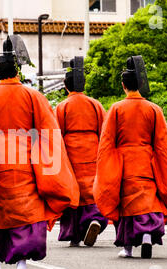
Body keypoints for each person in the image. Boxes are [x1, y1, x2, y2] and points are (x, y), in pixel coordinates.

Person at [0, 35, 79, 269]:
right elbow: (48, 135)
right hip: (27, 164)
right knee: (26, 214)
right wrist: (48, 166)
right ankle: (22, 266)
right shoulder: (34, 97)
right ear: (18, 71)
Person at [94, 55, 167, 259]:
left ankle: (128, 247)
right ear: (140, 84)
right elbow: (163, 144)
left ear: (123, 85)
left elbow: (106, 143)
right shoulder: (154, 109)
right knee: (148, 199)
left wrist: (105, 167)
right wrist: (165, 167)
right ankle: (148, 234)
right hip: (147, 162)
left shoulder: (116, 109)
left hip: (124, 164)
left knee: (126, 204)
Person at [56, 57, 108, 247]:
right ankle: (94, 219)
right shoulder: (96, 105)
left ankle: (74, 234)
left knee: (74, 193)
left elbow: (57, 134)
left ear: (66, 86)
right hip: (93, 151)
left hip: (70, 154)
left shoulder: (62, 107)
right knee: (92, 191)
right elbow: (105, 131)